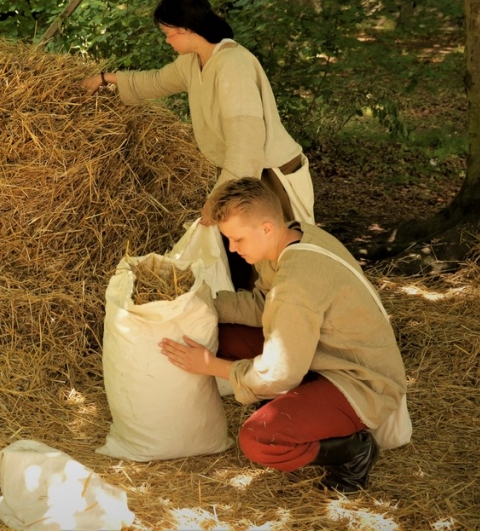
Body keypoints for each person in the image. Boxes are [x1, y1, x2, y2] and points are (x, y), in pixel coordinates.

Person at [158, 177, 407, 492]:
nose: (232, 249)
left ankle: (354, 450)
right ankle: (303, 408)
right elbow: (265, 305)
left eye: (237, 240)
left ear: (265, 228)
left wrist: (211, 365)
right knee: (219, 332)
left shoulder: (296, 284)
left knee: (260, 439)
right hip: (323, 356)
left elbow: (279, 374)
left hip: (361, 382)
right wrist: (201, 303)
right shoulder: (294, 235)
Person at [80, 0, 313, 286]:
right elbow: (155, 82)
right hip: (240, 173)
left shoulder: (232, 66)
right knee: (242, 254)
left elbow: (246, 146)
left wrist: (217, 198)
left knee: (277, 257)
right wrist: (104, 79)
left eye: (168, 32)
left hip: (267, 175)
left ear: (186, 29)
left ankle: (289, 321)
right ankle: (250, 318)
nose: (166, 39)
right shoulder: (194, 61)